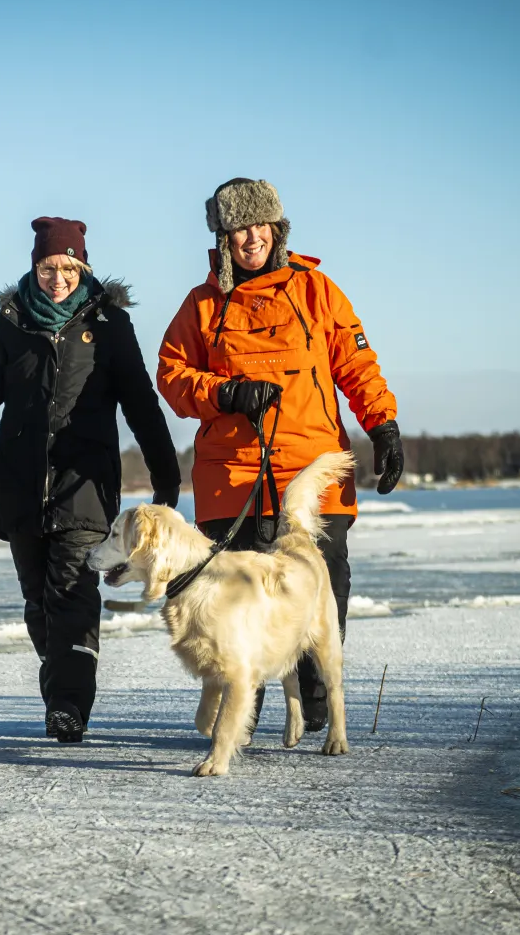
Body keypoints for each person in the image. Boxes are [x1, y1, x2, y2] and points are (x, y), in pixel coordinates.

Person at [156, 178, 404, 732]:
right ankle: (241, 708)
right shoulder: (202, 305)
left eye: (259, 226)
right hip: (233, 477)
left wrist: (383, 425)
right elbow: (171, 376)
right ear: (223, 237)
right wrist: (225, 393)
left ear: (277, 229)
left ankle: (318, 695)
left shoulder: (317, 290)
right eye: (239, 228)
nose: (251, 238)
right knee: (234, 595)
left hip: (313, 470)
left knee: (323, 581)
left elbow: (356, 365)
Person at [0, 216, 180, 743]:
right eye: (49, 267)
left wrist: (165, 471)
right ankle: (62, 687)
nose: (58, 278)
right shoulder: (10, 323)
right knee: (38, 603)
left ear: (83, 266)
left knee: (72, 592)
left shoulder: (110, 324)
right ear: (35, 267)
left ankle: (68, 706)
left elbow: (139, 400)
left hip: (83, 484)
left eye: (69, 267)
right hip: (20, 483)